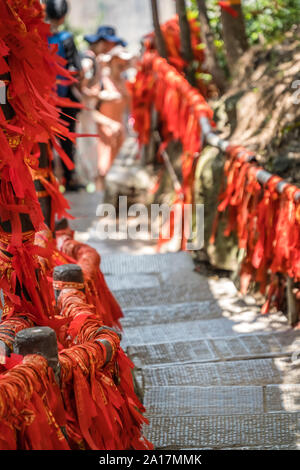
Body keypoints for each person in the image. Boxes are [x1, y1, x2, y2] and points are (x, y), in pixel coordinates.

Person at [76, 26, 127, 189]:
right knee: (94, 164)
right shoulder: (88, 61)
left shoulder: (94, 60)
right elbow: (80, 87)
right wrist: (99, 96)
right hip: (84, 115)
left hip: (87, 115)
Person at [46, 0, 84, 192]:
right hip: (65, 99)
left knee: (46, 140)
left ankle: (49, 179)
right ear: (64, 16)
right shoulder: (67, 38)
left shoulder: (39, 35)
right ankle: (69, 179)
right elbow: (75, 69)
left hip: (43, 100)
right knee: (67, 139)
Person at [93, 46, 133, 190]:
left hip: (120, 133)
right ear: (110, 64)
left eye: (124, 65)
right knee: (102, 169)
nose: (122, 68)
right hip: (103, 135)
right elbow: (90, 112)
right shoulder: (101, 83)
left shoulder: (125, 84)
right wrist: (109, 123)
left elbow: (130, 109)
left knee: (119, 170)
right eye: (118, 65)